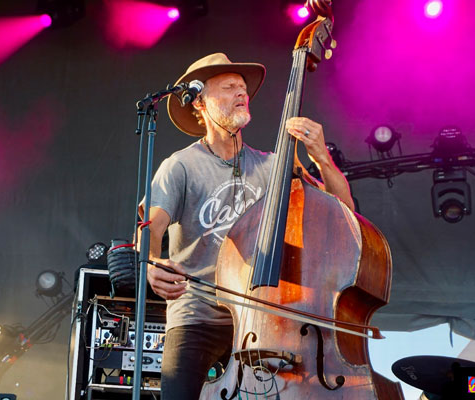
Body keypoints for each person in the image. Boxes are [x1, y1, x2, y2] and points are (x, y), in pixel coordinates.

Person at [140, 53, 354, 399]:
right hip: (198, 315)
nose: (241, 93)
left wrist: (321, 158)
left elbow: (343, 213)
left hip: (265, 318)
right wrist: (151, 261)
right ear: (200, 102)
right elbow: (150, 224)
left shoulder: (274, 167)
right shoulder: (180, 166)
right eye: (228, 87)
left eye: (243, 88)